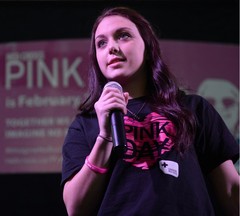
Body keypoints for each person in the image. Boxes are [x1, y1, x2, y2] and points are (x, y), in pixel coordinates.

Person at [61, 6, 239, 216]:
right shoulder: (86, 124)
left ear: (147, 47)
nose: (111, 48)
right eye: (101, 43)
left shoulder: (193, 109)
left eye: (123, 36)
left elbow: (231, 191)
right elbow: (75, 208)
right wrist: (105, 137)